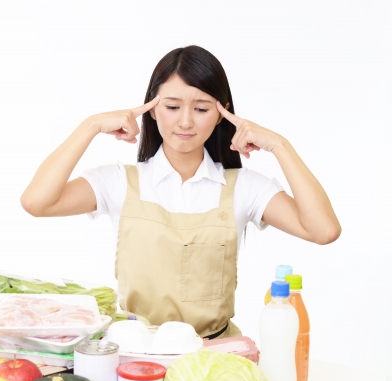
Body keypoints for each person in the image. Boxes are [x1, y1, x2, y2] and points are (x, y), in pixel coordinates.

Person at [20, 45, 341, 339]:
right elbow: (36, 202)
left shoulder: (245, 187)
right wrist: (90, 125)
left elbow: (323, 230)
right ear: (153, 108)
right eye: (172, 106)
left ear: (221, 113)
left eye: (201, 109)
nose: (185, 121)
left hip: (215, 356)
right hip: (137, 355)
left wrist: (280, 145)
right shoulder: (119, 181)